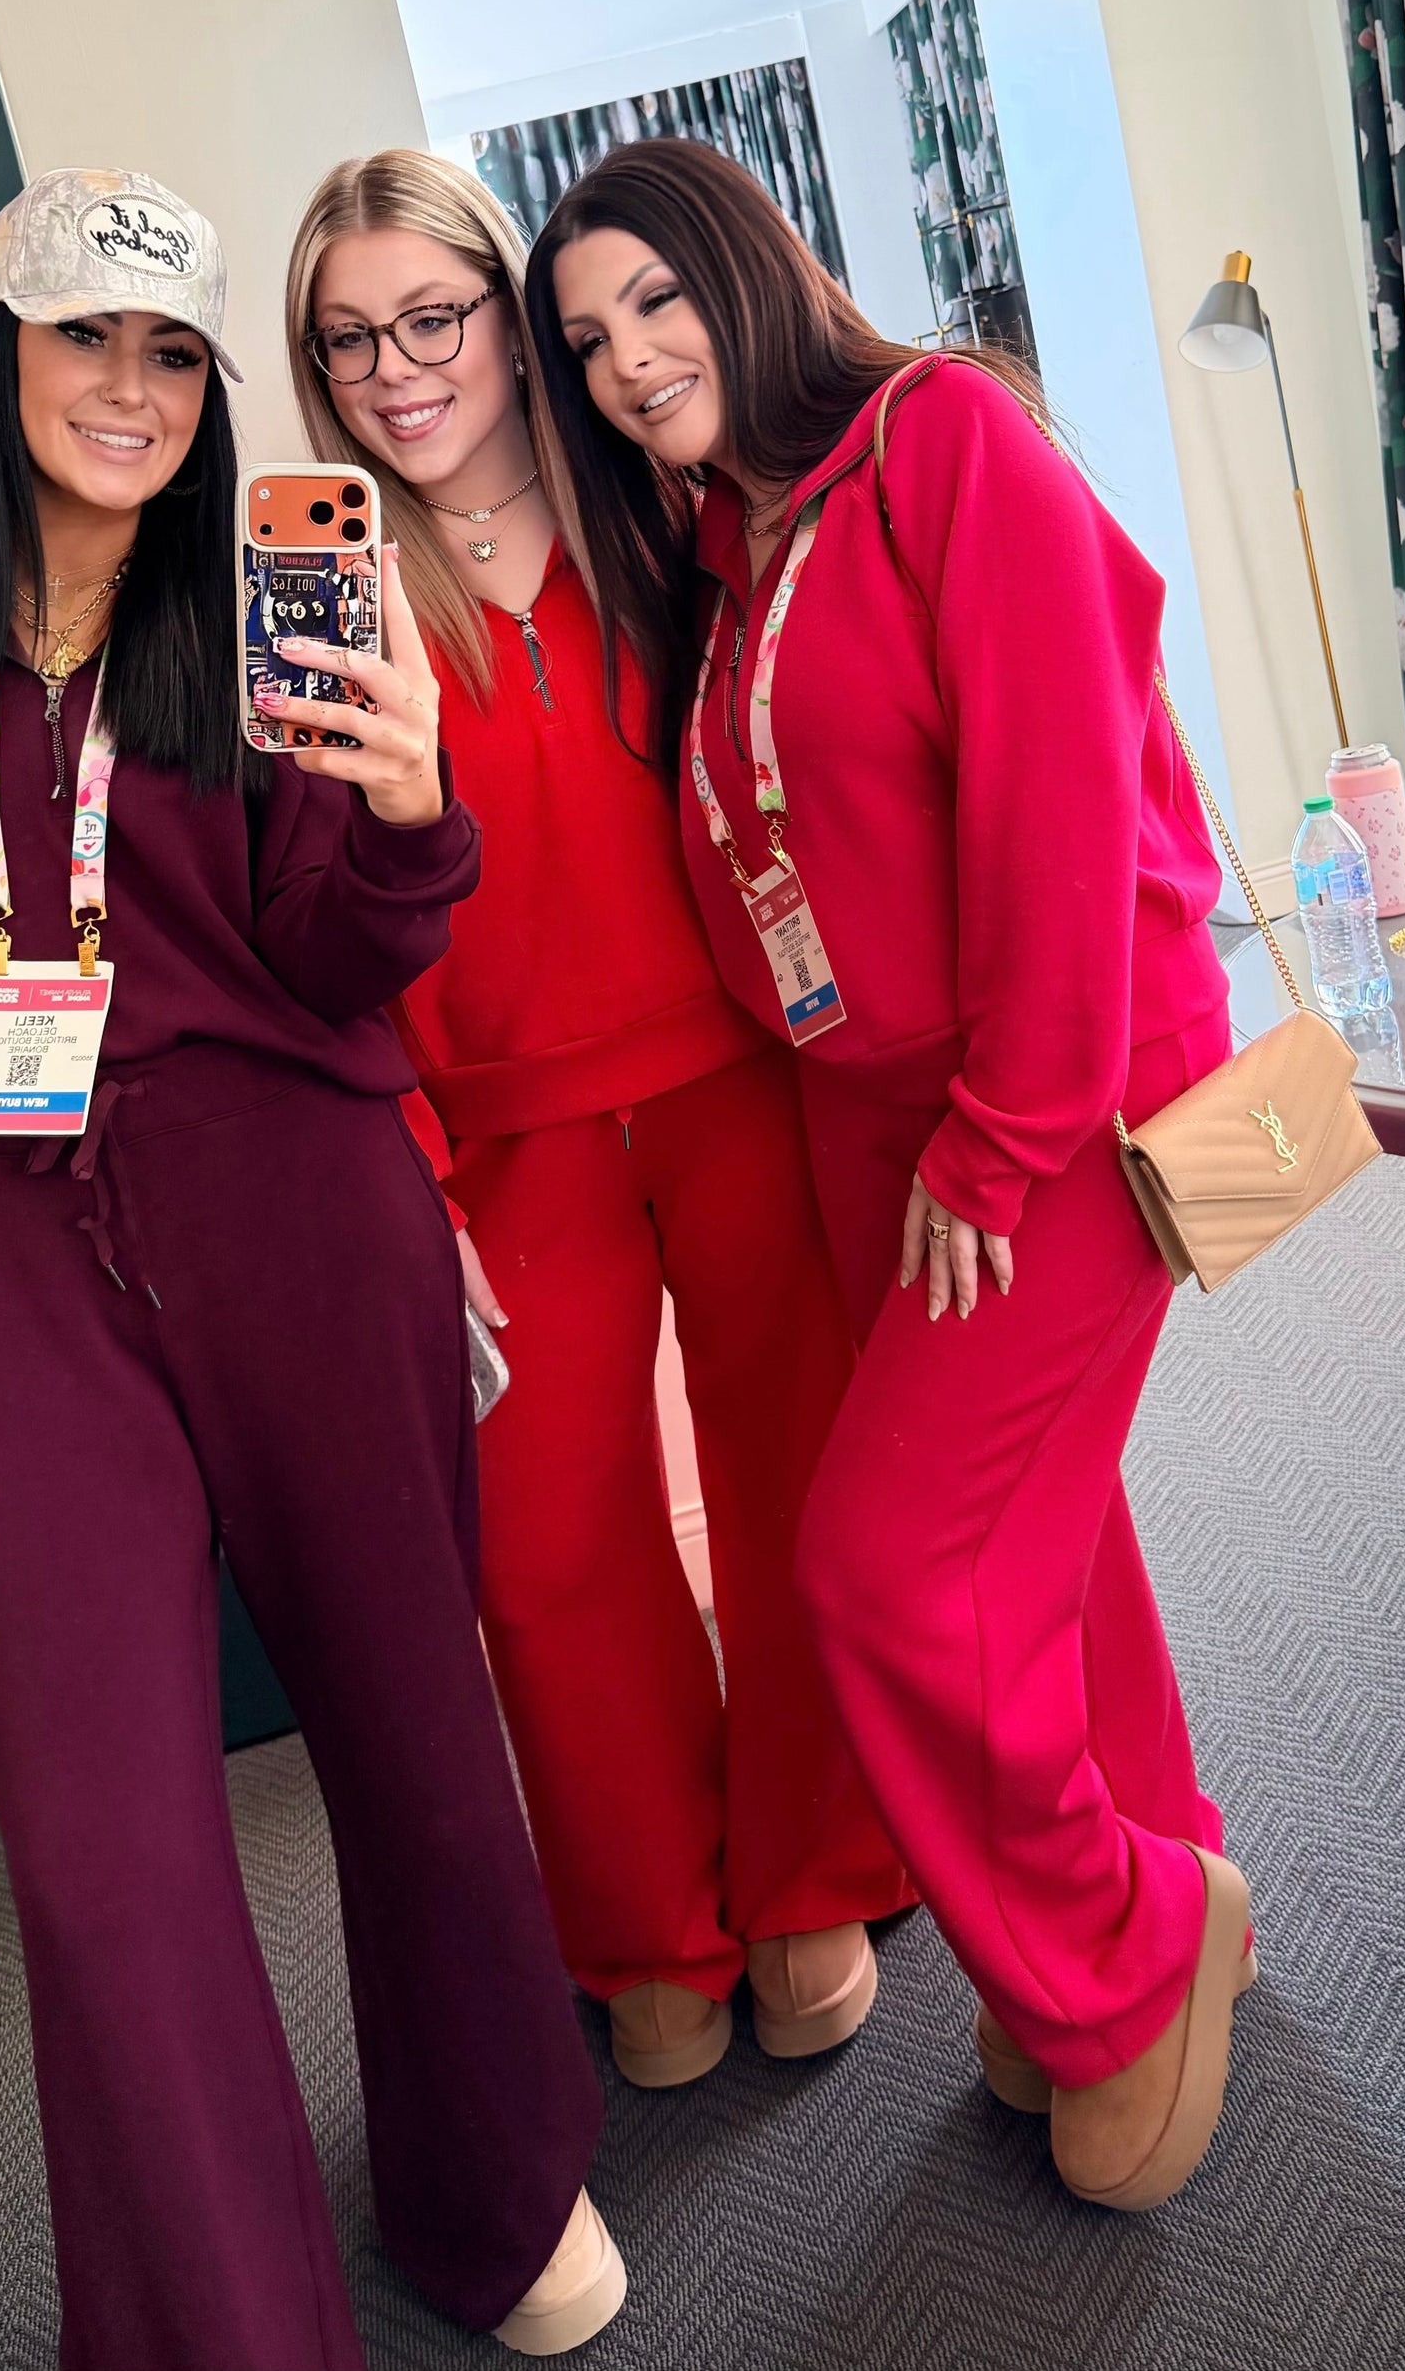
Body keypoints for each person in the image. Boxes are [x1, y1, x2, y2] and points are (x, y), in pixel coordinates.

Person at [0, 168, 623, 2370]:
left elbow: (336, 961)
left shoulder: (271, 602)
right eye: (87, 341)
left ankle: (495, 2173)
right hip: (2, 1248)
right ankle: (225, 2329)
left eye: (176, 354)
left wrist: (415, 809)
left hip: (288, 1196)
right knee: (101, 1865)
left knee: (409, 1733)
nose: (134, 390)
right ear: (1, 360)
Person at [527, 136, 1252, 2213]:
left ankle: (1117, 1957)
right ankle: (1164, 1867)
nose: (627, 358)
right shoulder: (724, 537)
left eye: (655, 302)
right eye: (584, 339)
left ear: (748, 272)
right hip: (862, 1112)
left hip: (1039, 1101)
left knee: (884, 1570)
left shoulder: (940, 438)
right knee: (1040, 1542)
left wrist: (1009, 1139)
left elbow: (1053, 801)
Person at [285, 149, 911, 2094]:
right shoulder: (319, 588)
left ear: (506, 315)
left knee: (804, 1481)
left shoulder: (666, 511)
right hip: (503, 1141)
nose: (395, 371)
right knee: (549, 1559)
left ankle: (814, 1871)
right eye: (344, 339)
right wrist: (406, 1185)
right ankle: (646, 1917)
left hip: (742, 1085)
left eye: (430, 317)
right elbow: (315, 930)